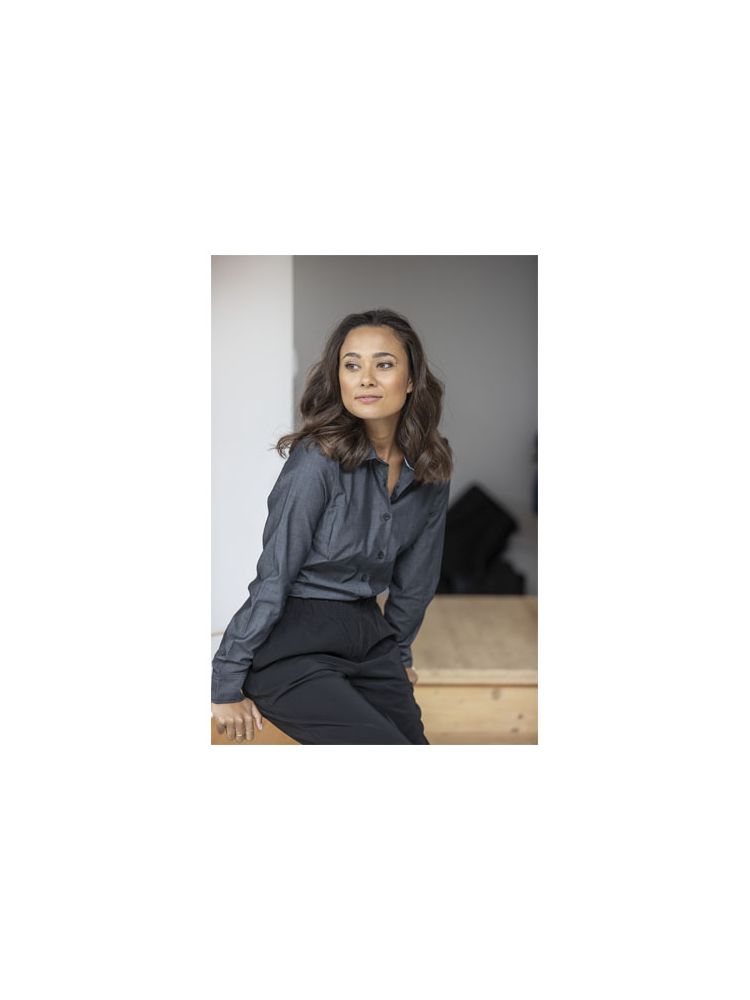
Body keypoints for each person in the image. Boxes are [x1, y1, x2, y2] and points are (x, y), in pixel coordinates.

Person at [211, 308, 453, 744]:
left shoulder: (431, 465)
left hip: (370, 639)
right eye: (352, 365)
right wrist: (225, 680)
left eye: (384, 364)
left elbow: (417, 580)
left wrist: (398, 655)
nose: (366, 379)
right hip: (295, 645)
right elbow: (275, 573)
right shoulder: (316, 460)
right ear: (338, 377)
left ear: (411, 379)